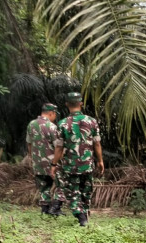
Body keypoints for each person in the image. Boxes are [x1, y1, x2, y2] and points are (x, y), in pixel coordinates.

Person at [51, 92, 104, 226]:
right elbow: (97, 143)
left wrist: (54, 164)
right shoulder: (92, 121)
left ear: (67, 105)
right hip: (87, 164)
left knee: (72, 192)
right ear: (81, 104)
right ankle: (84, 214)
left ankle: (81, 216)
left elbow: (59, 147)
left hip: (70, 166)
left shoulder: (62, 124)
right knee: (86, 190)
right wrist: (100, 161)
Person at [26, 102, 65, 215]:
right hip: (52, 162)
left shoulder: (31, 124)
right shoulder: (51, 127)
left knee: (44, 186)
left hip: (37, 162)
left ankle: (45, 210)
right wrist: (59, 160)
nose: (56, 116)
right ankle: (56, 208)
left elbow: (29, 143)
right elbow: (58, 146)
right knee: (61, 184)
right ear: (51, 113)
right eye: (55, 114)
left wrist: (32, 157)